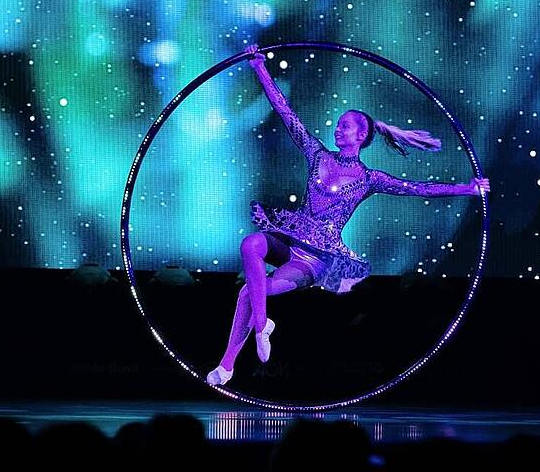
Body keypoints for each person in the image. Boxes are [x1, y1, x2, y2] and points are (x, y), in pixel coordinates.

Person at [206, 44, 490, 385]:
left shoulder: (370, 179)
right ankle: (262, 326)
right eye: (337, 125)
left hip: (314, 259)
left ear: (362, 135)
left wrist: (466, 189)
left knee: (247, 292)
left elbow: (418, 189)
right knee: (251, 244)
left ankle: (226, 366)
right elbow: (284, 111)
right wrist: (259, 68)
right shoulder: (317, 155)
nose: (338, 130)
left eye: (346, 126)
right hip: (290, 237)